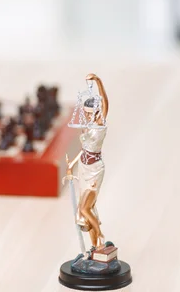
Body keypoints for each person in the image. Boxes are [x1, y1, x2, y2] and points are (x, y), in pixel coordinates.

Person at [65, 73, 108, 251]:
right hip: (83, 167)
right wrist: (71, 167)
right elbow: (84, 150)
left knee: (84, 209)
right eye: (86, 112)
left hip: (94, 170)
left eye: (91, 112)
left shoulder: (100, 122)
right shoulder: (87, 124)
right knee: (88, 210)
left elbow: (105, 102)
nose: (88, 115)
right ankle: (95, 244)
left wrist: (98, 81)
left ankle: (100, 238)